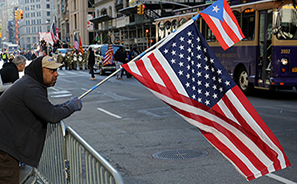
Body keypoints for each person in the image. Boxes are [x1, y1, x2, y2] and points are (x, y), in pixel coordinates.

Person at [0, 56, 82, 184]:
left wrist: (65, 105)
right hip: (5, 149)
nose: (56, 74)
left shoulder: (30, 83)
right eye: (52, 71)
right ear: (40, 71)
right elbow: (52, 115)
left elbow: (45, 109)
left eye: (56, 71)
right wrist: (71, 106)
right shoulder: (31, 88)